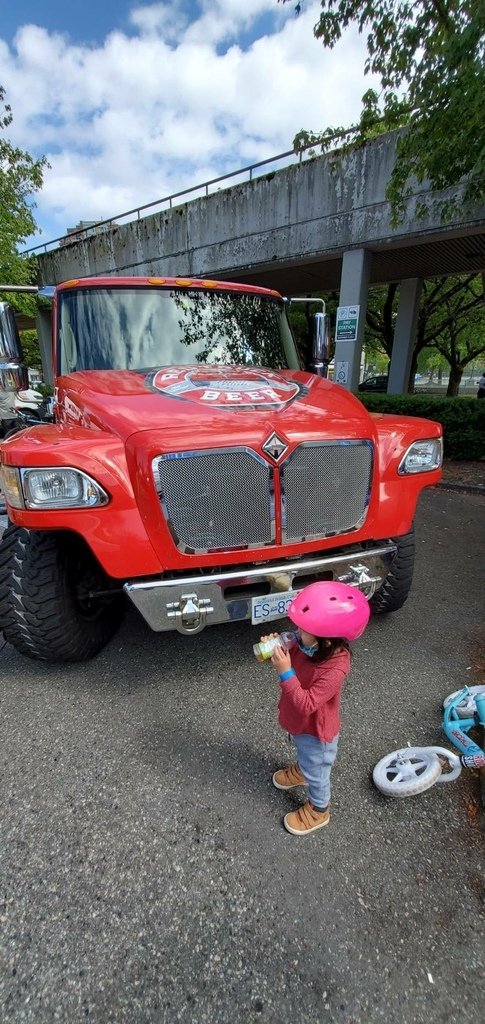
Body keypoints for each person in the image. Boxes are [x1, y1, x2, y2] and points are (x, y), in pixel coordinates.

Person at [261, 581, 370, 836]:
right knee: (303, 753)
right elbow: (295, 659)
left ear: (327, 639)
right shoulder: (308, 645)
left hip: (316, 732)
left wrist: (284, 671)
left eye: (304, 628)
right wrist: (278, 651)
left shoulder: (336, 668)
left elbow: (307, 704)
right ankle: (301, 770)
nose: (297, 632)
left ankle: (319, 810)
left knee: (318, 773)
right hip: (300, 726)